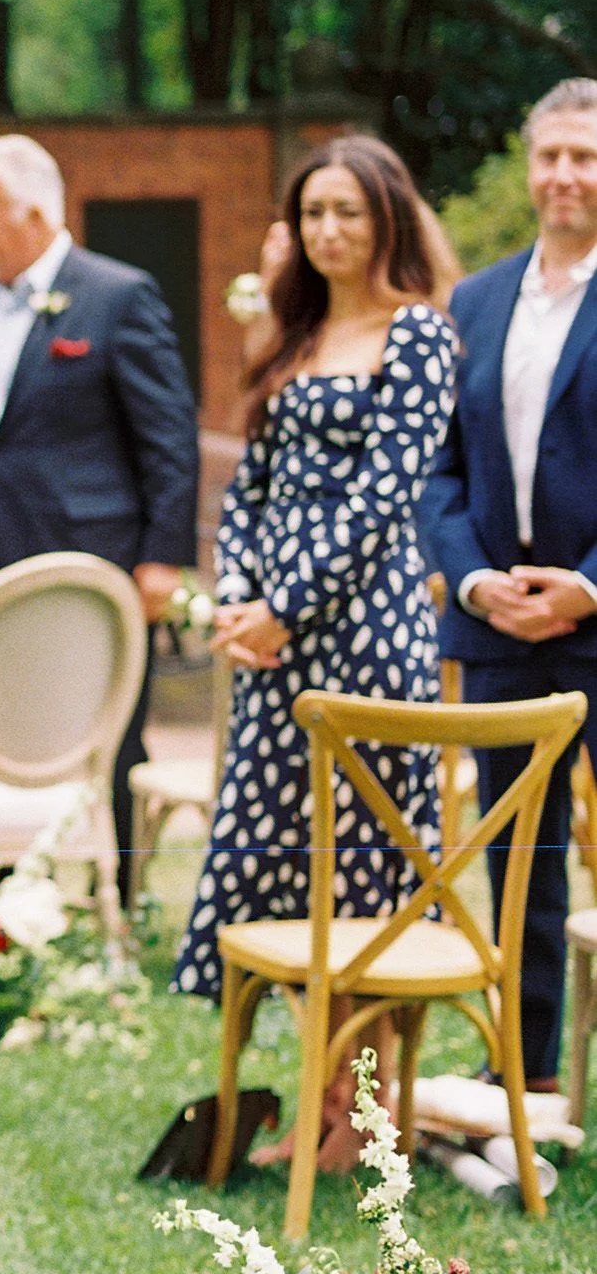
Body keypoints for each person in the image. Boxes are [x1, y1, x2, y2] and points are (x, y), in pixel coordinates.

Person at [174, 137, 457, 1168]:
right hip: (270, 644)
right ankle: (318, 1099)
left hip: (364, 631)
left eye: (348, 210)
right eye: (312, 213)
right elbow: (247, 486)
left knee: (363, 873)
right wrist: (242, 596)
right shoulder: (289, 337)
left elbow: (385, 495)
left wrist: (288, 605)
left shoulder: (417, 335)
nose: (329, 230)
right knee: (286, 871)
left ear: (385, 215)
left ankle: (358, 1113)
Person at [0, 134, 200, 888]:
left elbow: (167, 436)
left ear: (36, 212)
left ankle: (121, 891)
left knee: (102, 728)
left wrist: (161, 557)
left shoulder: (118, 294)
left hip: (91, 553)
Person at [421, 77, 597, 1093]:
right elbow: (439, 469)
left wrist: (583, 587)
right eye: (550, 155)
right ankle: (525, 1078)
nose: (564, 174)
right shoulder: (473, 301)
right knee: (517, 864)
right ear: (527, 165)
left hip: (592, 619)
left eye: (584, 155)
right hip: (496, 629)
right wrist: (475, 579)